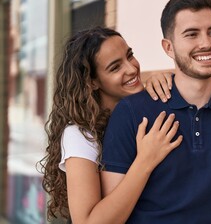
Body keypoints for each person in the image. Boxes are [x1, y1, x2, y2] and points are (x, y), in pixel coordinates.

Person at [101, 0, 211, 224]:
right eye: (192, 34)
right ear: (168, 47)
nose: (206, 43)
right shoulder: (131, 113)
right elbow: (111, 216)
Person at [37, 26, 183, 224]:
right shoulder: (80, 134)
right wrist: (145, 161)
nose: (131, 69)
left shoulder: (136, 111)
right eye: (115, 67)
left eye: (129, 56)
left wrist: (160, 81)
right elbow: (86, 221)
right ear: (93, 82)